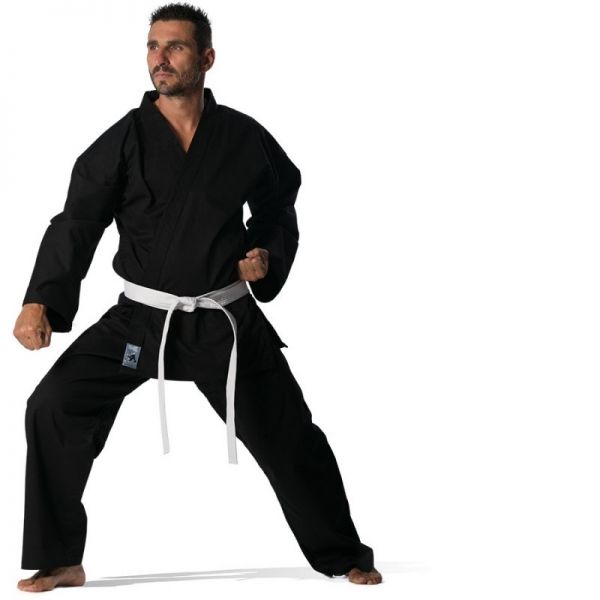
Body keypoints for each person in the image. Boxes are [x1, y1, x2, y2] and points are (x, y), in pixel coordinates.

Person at [14, 3, 382, 592]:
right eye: (153, 46)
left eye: (176, 47)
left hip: (223, 321)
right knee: (54, 405)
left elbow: (279, 202)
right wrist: (40, 300)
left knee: (289, 434)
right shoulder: (125, 139)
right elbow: (77, 221)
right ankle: (60, 558)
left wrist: (264, 254)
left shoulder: (241, 136)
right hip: (142, 323)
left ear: (207, 58)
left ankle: (342, 553)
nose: (160, 58)